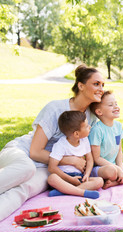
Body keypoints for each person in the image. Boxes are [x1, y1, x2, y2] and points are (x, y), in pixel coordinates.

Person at [0, 65, 104, 221]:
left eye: (103, 85)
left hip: (46, 167)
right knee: (26, 169)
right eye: (96, 84)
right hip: (22, 153)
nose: (101, 88)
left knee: (25, 190)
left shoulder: (91, 118)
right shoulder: (55, 108)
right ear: (81, 86)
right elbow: (34, 152)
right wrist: (69, 160)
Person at [89, 90, 123, 189]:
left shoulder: (118, 126)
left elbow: (119, 150)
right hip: (101, 167)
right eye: (111, 105)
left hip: (115, 165)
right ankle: (119, 178)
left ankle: (117, 181)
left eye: (116, 103)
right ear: (99, 112)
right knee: (111, 171)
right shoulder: (97, 130)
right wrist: (117, 170)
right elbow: (97, 159)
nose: (116, 107)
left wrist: (119, 167)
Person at [47, 111, 103, 198]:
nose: (90, 127)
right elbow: (52, 167)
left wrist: (87, 174)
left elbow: (89, 159)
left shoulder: (84, 140)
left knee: (99, 181)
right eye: (87, 126)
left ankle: (65, 191)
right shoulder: (61, 144)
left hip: (79, 177)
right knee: (52, 178)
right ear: (76, 133)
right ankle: (81, 192)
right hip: (64, 178)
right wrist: (70, 179)